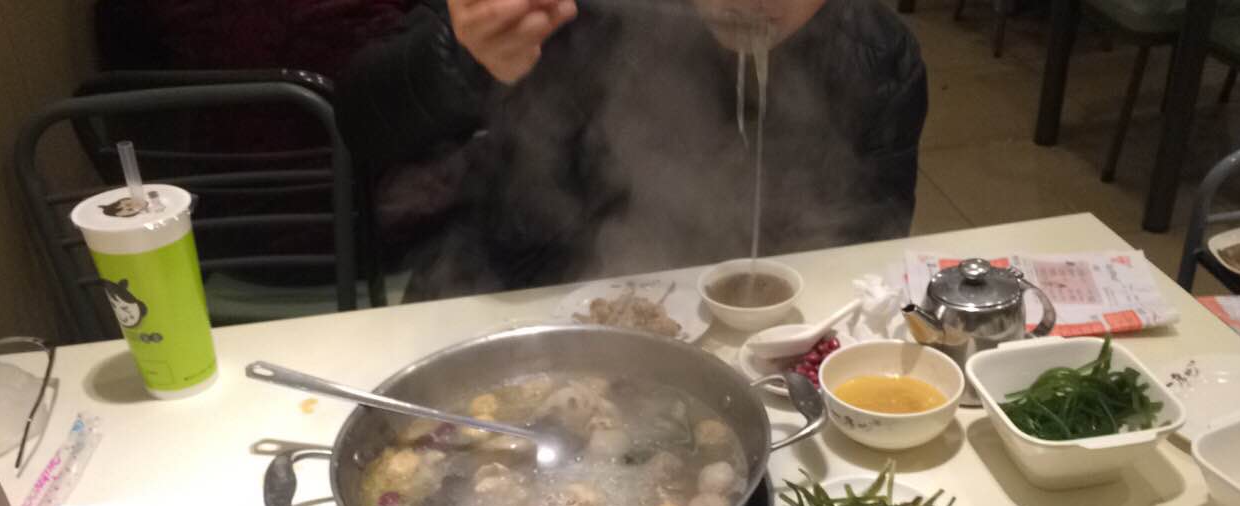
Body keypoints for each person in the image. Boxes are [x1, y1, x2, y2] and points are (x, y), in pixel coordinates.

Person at [336, 0, 927, 300]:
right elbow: (361, 119)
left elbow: (861, 265)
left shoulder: (876, 57)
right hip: (527, 303)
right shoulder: (576, 12)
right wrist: (463, 52)